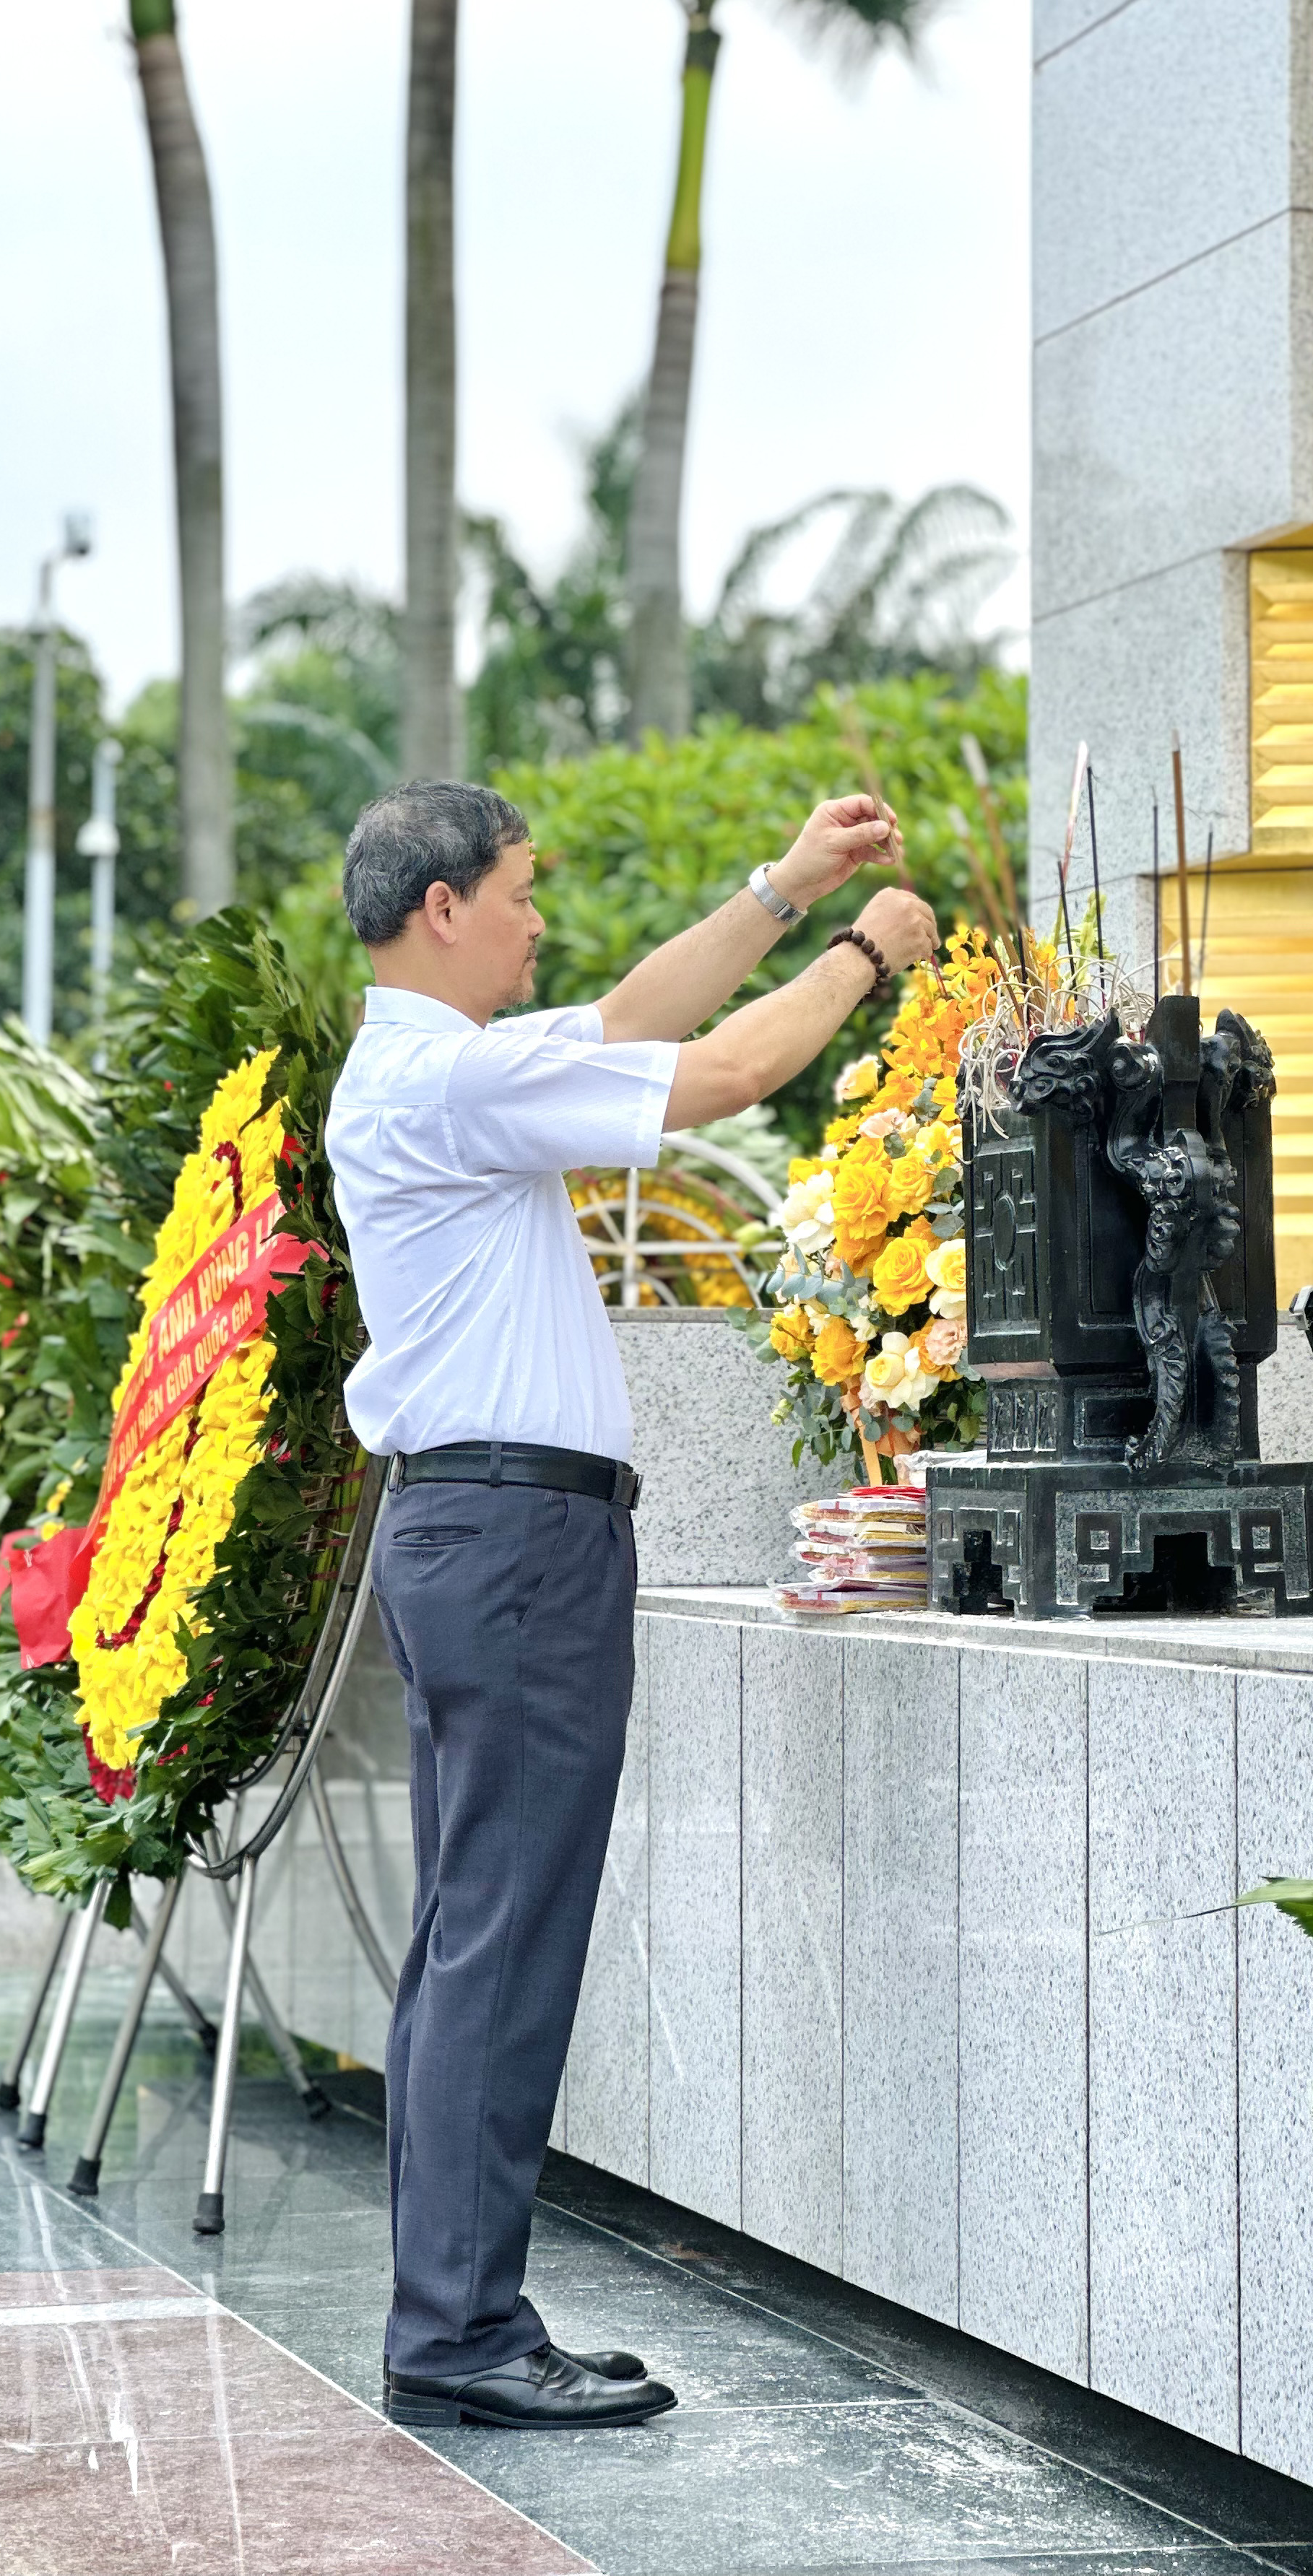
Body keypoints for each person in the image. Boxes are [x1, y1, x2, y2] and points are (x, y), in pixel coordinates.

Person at [326, 778, 937, 2433]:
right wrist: (867, 953)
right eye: (521, 891)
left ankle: (456, 2317)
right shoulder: (454, 1079)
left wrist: (783, 888)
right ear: (443, 907)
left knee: (476, 1937)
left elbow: (627, 1020)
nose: (537, 920)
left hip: (484, 1535)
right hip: (516, 1545)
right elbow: (722, 1072)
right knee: (504, 1942)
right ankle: (461, 2332)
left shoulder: (433, 1067)